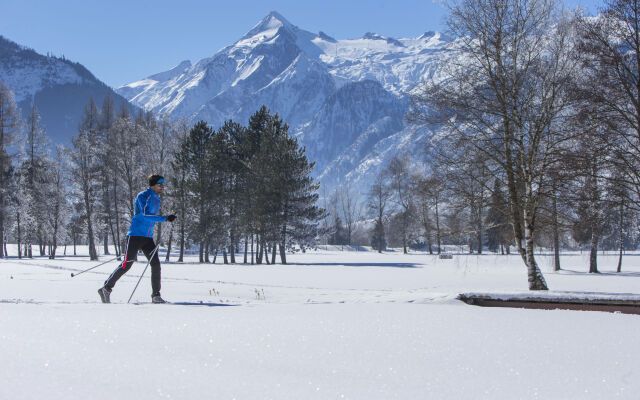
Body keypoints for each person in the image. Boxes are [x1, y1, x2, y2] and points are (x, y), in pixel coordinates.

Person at [98, 174, 176, 304]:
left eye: (163, 184)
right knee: (127, 264)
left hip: (147, 237)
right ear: (152, 185)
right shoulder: (143, 195)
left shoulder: (157, 198)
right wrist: (164, 218)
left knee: (156, 264)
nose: (162, 186)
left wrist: (166, 218)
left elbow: (151, 217)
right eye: (159, 184)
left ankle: (156, 295)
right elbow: (145, 214)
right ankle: (106, 288)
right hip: (135, 235)